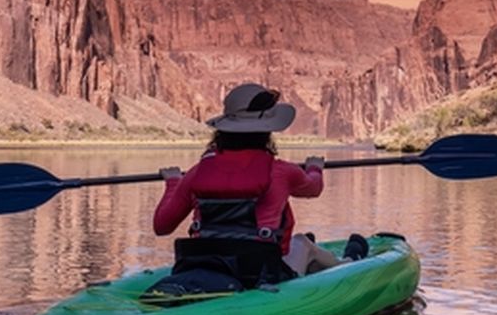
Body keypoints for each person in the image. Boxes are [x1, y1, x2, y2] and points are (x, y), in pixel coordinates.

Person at [148, 83, 365, 297]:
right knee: (302, 243)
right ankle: (349, 263)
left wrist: (174, 182)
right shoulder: (282, 171)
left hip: (207, 262)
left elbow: (162, 226)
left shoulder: (197, 173)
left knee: (296, 244)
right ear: (267, 132)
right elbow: (313, 188)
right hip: (260, 275)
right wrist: (315, 168)